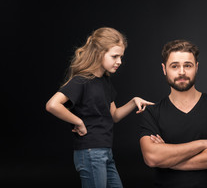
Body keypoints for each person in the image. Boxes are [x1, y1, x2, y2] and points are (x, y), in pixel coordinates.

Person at [46, 27, 154, 188]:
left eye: (121, 57)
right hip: (90, 152)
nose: (119, 61)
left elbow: (114, 116)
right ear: (98, 53)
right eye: (115, 56)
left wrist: (133, 101)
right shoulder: (81, 80)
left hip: (105, 151)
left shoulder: (104, 81)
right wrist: (78, 122)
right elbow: (52, 105)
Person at [139, 40, 207, 188]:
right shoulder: (152, 112)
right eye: (175, 66)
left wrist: (170, 160)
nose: (182, 72)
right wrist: (203, 143)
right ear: (164, 69)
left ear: (196, 67)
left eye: (188, 65)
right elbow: (152, 157)